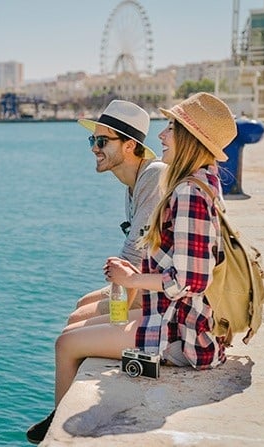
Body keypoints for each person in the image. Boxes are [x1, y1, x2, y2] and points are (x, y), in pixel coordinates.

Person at [26, 92, 237, 444]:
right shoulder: (196, 181)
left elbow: (191, 279)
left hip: (183, 330)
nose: (163, 135)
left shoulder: (179, 188)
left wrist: (128, 282)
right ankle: (61, 409)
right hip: (179, 315)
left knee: (66, 344)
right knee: (79, 320)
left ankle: (60, 431)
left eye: (171, 127)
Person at [68, 100, 166, 324]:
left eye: (102, 141)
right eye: (93, 140)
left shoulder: (153, 176)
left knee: (76, 320)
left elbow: (133, 257)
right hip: (151, 281)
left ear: (129, 146)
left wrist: (116, 319)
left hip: (169, 291)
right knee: (82, 305)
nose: (94, 148)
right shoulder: (134, 183)